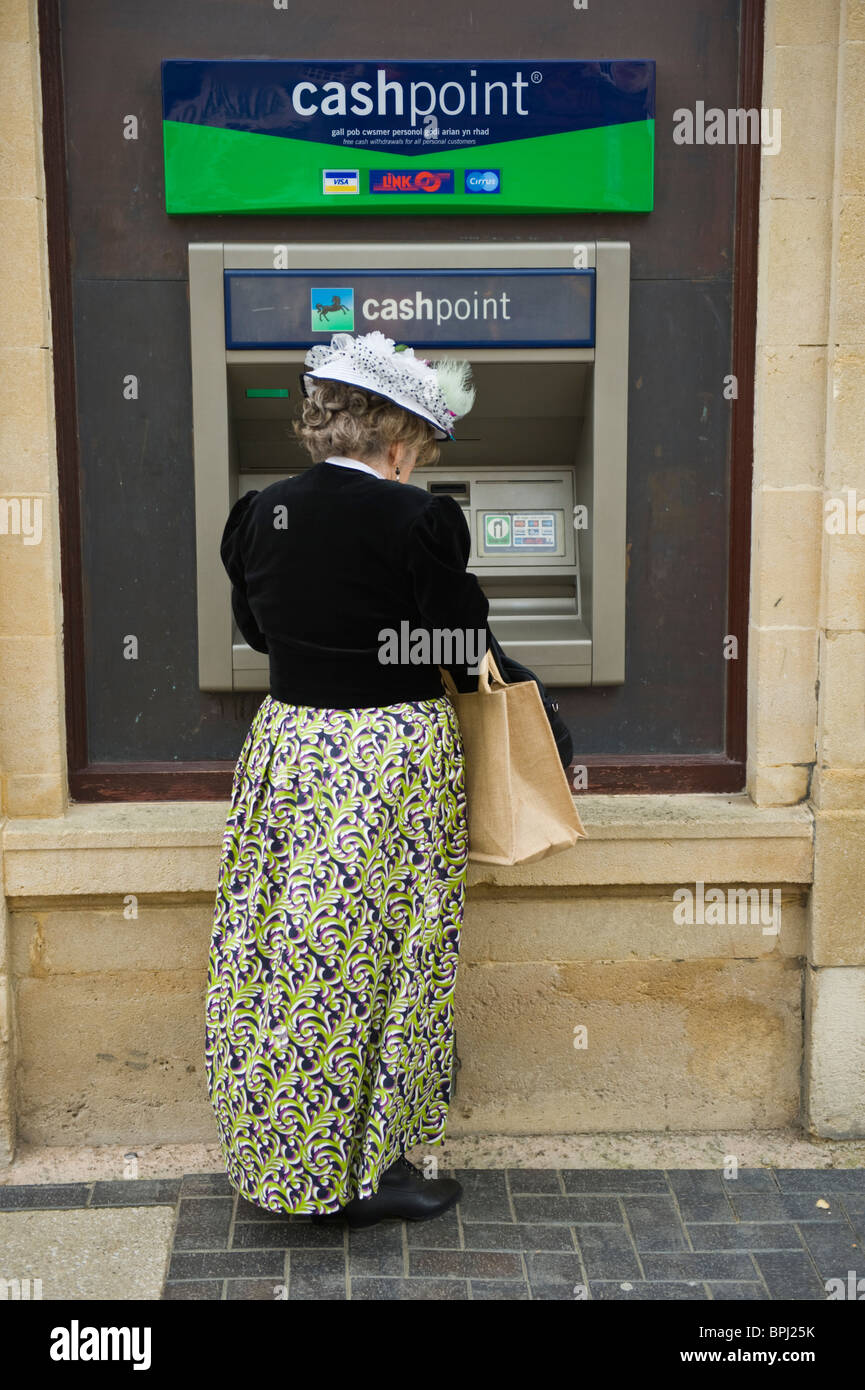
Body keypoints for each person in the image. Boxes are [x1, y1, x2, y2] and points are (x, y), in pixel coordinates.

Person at [205, 330, 490, 1230]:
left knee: (291, 954)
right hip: (389, 757)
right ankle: (372, 1171)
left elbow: (258, 632)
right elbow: (459, 642)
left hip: (291, 746)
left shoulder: (258, 511)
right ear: (399, 438)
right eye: (421, 451)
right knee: (391, 955)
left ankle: (286, 1154)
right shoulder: (419, 519)